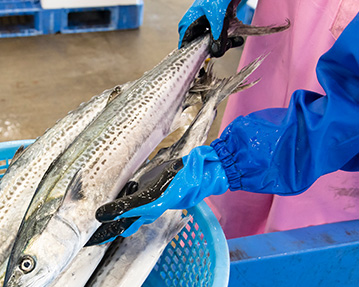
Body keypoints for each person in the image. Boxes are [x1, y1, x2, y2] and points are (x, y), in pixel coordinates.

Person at [96, 0, 359, 239]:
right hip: (284, 28)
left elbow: (349, 113)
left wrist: (226, 162)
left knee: (298, 234)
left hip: (338, 126)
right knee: (235, 210)